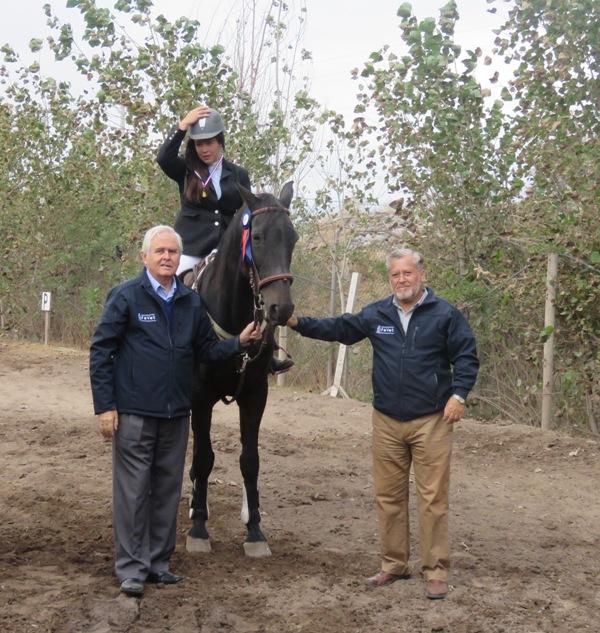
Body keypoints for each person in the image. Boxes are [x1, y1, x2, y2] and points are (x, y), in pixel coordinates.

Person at [287, 248, 479, 600]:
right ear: (390, 278)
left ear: (421, 275)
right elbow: (341, 329)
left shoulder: (445, 314)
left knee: (433, 498)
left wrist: (459, 395)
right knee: (388, 496)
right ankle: (394, 565)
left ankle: (435, 570)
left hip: (432, 420)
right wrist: (298, 322)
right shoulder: (377, 313)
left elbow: (466, 355)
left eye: (407, 273)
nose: (402, 280)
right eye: (395, 275)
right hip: (387, 420)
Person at [89, 225, 261, 597]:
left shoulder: (190, 301)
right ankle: (131, 568)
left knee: (168, 490)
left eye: (172, 252)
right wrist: (105, 406)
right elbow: (101, 352)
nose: (166, 257)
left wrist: (237, 343)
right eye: (160, 251)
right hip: (134, 412)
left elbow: (206, 352)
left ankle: (158, 563)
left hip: (175, 414)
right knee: (133, 492)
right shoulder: (125, 297)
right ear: (145, 257)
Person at [157, 105, 292, 374]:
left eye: (209, 143)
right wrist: (182, 126)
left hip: (228, 246)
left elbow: (248, 212)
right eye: (198, 144)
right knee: (170, 284)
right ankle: (164, 343)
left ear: (220, 142)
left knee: (259, 281)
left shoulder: (239, 174)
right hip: (193, 246)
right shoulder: (185, 170)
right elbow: (163, 157)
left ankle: (268, 349)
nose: (204, 149)